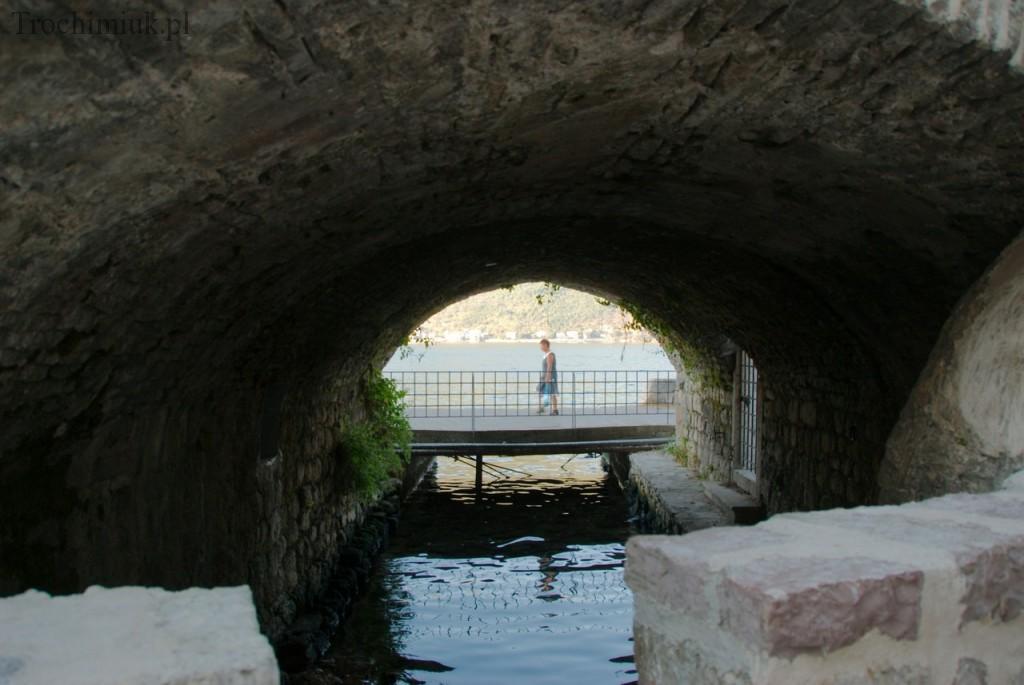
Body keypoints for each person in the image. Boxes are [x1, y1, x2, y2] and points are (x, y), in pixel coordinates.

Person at [536, 339, 559, 415]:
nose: (541, 348)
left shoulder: (550, 355)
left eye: (541, 346)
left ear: (546, 345)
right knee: (541, 390)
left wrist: (548, 377)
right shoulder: (546, 355)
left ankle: (554, 410)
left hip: (549, 376)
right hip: (545, 376)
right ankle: (542, 407)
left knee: (552, 392)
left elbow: (549, 367)